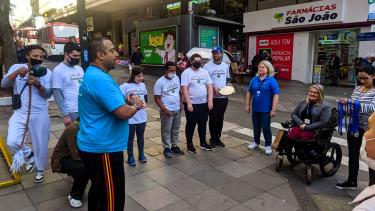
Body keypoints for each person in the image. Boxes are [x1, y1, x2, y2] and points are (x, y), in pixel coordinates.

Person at [78, 37, 142, 210]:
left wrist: (124, 100)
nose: (116, 54)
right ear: (100, 55)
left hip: (97, 146)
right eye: (112, 50)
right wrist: (136, 105)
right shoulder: (100, 79)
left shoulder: (93, 74)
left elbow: (109, 103)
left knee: (99, 193)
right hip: (103, 149)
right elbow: (122, 113)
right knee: (111, 199)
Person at [1, 45, 52, 183]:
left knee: (41, 144)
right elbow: (4, 84)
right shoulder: (17, 67)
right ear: (27, 56)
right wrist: (16, 73)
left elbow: (48, 94)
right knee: (12, 141)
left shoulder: (46, 72)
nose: (39, 59)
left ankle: (40, 170)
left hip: (40, 113)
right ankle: (28, 153)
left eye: (41, 56)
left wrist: (37, 84)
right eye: (35, 56)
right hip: (20, 112)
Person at [336, 66, 375, 190]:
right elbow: (351, 103)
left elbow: (372, 108)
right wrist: (346, 106)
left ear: (373, 76)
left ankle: (372, 188)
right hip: (355, 127)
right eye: (360, 78)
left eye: (365, 78)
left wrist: (352, 103)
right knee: (353, 155)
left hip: (370, 130)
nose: (362, 81)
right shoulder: (358, 89)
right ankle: (351, 181)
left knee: (371, 159)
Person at [51, 119, 89, 208]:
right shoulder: (74, 128)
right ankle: (74, 196)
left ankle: (78, 176)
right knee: (85, 168)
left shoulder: (84, 127)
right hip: (60, 161)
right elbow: (75, 154)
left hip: (71, 157)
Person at [245, 60, 280, 155]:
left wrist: (273, 109)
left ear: (268, 69)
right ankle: (256, 142)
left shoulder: (271, 80)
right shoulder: (254, 79)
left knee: (266, 128)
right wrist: (247, 105)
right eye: (259, 67)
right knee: (256, 127)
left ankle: (268, 145)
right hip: (255, 109)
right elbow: (249, 93)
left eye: (263, 67)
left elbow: (276, 95)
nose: (260, 68)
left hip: (266, 110)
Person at [181, 53, 214, 153]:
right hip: (192, 104)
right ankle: (189, 144)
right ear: (191, 61)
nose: (198, 63)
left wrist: (210, 100)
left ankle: (203, 142)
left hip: (203, 103)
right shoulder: (186, 73)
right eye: (196, 61)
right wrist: (189, 103)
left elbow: (210, 86)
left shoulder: (204, 72)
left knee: (203, 123)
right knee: (191, 124)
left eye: (200, 61)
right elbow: (184, 88)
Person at [154, 61, 184, 158]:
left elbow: (179, 92)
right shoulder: (160, 82)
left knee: (175, 129)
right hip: (167, 110)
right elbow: (157, 98)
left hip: (177, 108)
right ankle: (166, 148)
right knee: (166, 130)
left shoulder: (176, 78)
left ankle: (174, 146)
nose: (173, 72)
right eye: (171, 71)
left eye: (175, 70)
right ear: (166, 70)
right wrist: (165, 109)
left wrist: (181, 103)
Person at [120, 67, 148, 166]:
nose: (141, 78)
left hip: (142, 116)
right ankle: (130, 157)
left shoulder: (143, 85)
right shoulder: (125, 86)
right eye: (138, 76)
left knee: (141, 137)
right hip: (130, 117)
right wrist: (128, 102)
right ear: (133, 75)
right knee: (130, 138)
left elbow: (145, 98)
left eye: (142, 76)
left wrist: (144, 105)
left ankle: (141, 154)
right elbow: (120, 100)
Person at [52, 42, 84, 127]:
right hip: (71, 111)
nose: (77, 58)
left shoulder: (79, 68)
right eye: (74, 56)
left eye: (78, 56)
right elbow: (57, 93)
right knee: (73, 138)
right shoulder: (58, 70)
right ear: (66, 54)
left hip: (84, 108)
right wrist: (65, 115)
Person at [204, 46, 230, 147]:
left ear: (221, 54)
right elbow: (205, 81)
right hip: (212, 98)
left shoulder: (225, 66)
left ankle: (218, 138)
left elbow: (227, 78)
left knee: (220, 118)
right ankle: (212, 138)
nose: (216, 55)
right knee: (213, 118)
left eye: (218, 53)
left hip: (223, 98)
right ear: (212, 54)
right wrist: (213, 87)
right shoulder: (207, 66)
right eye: (214, 53)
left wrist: (228, 86)